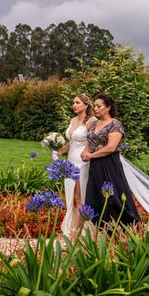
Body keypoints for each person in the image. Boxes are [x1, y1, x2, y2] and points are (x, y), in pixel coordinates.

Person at [81, 93, 140, 226]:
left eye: (99, 106)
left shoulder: (115, 124)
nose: (95, 108)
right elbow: (90, 142)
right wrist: (85, 152)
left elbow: (111, 148)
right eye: (95, 106)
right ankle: (102, 227)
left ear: (108, 107)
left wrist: (91, 155)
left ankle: (125, 226)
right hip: (95, 165)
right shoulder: (93, 124)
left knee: (114, 197)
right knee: (95, 196)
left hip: (109, 164)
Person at [53, 94, 96, 238]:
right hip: (70, 161)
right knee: (71, 197)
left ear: (86, 105)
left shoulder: (91, 121)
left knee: (78, 197)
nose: (74, 105)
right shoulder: (73, 120)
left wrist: (87, 151)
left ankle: (76, 234)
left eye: (77, 102)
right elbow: (71, 142)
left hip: (82, 162)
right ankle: (74, 229)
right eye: (73, 103)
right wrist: (59, 151)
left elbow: (93, 140)